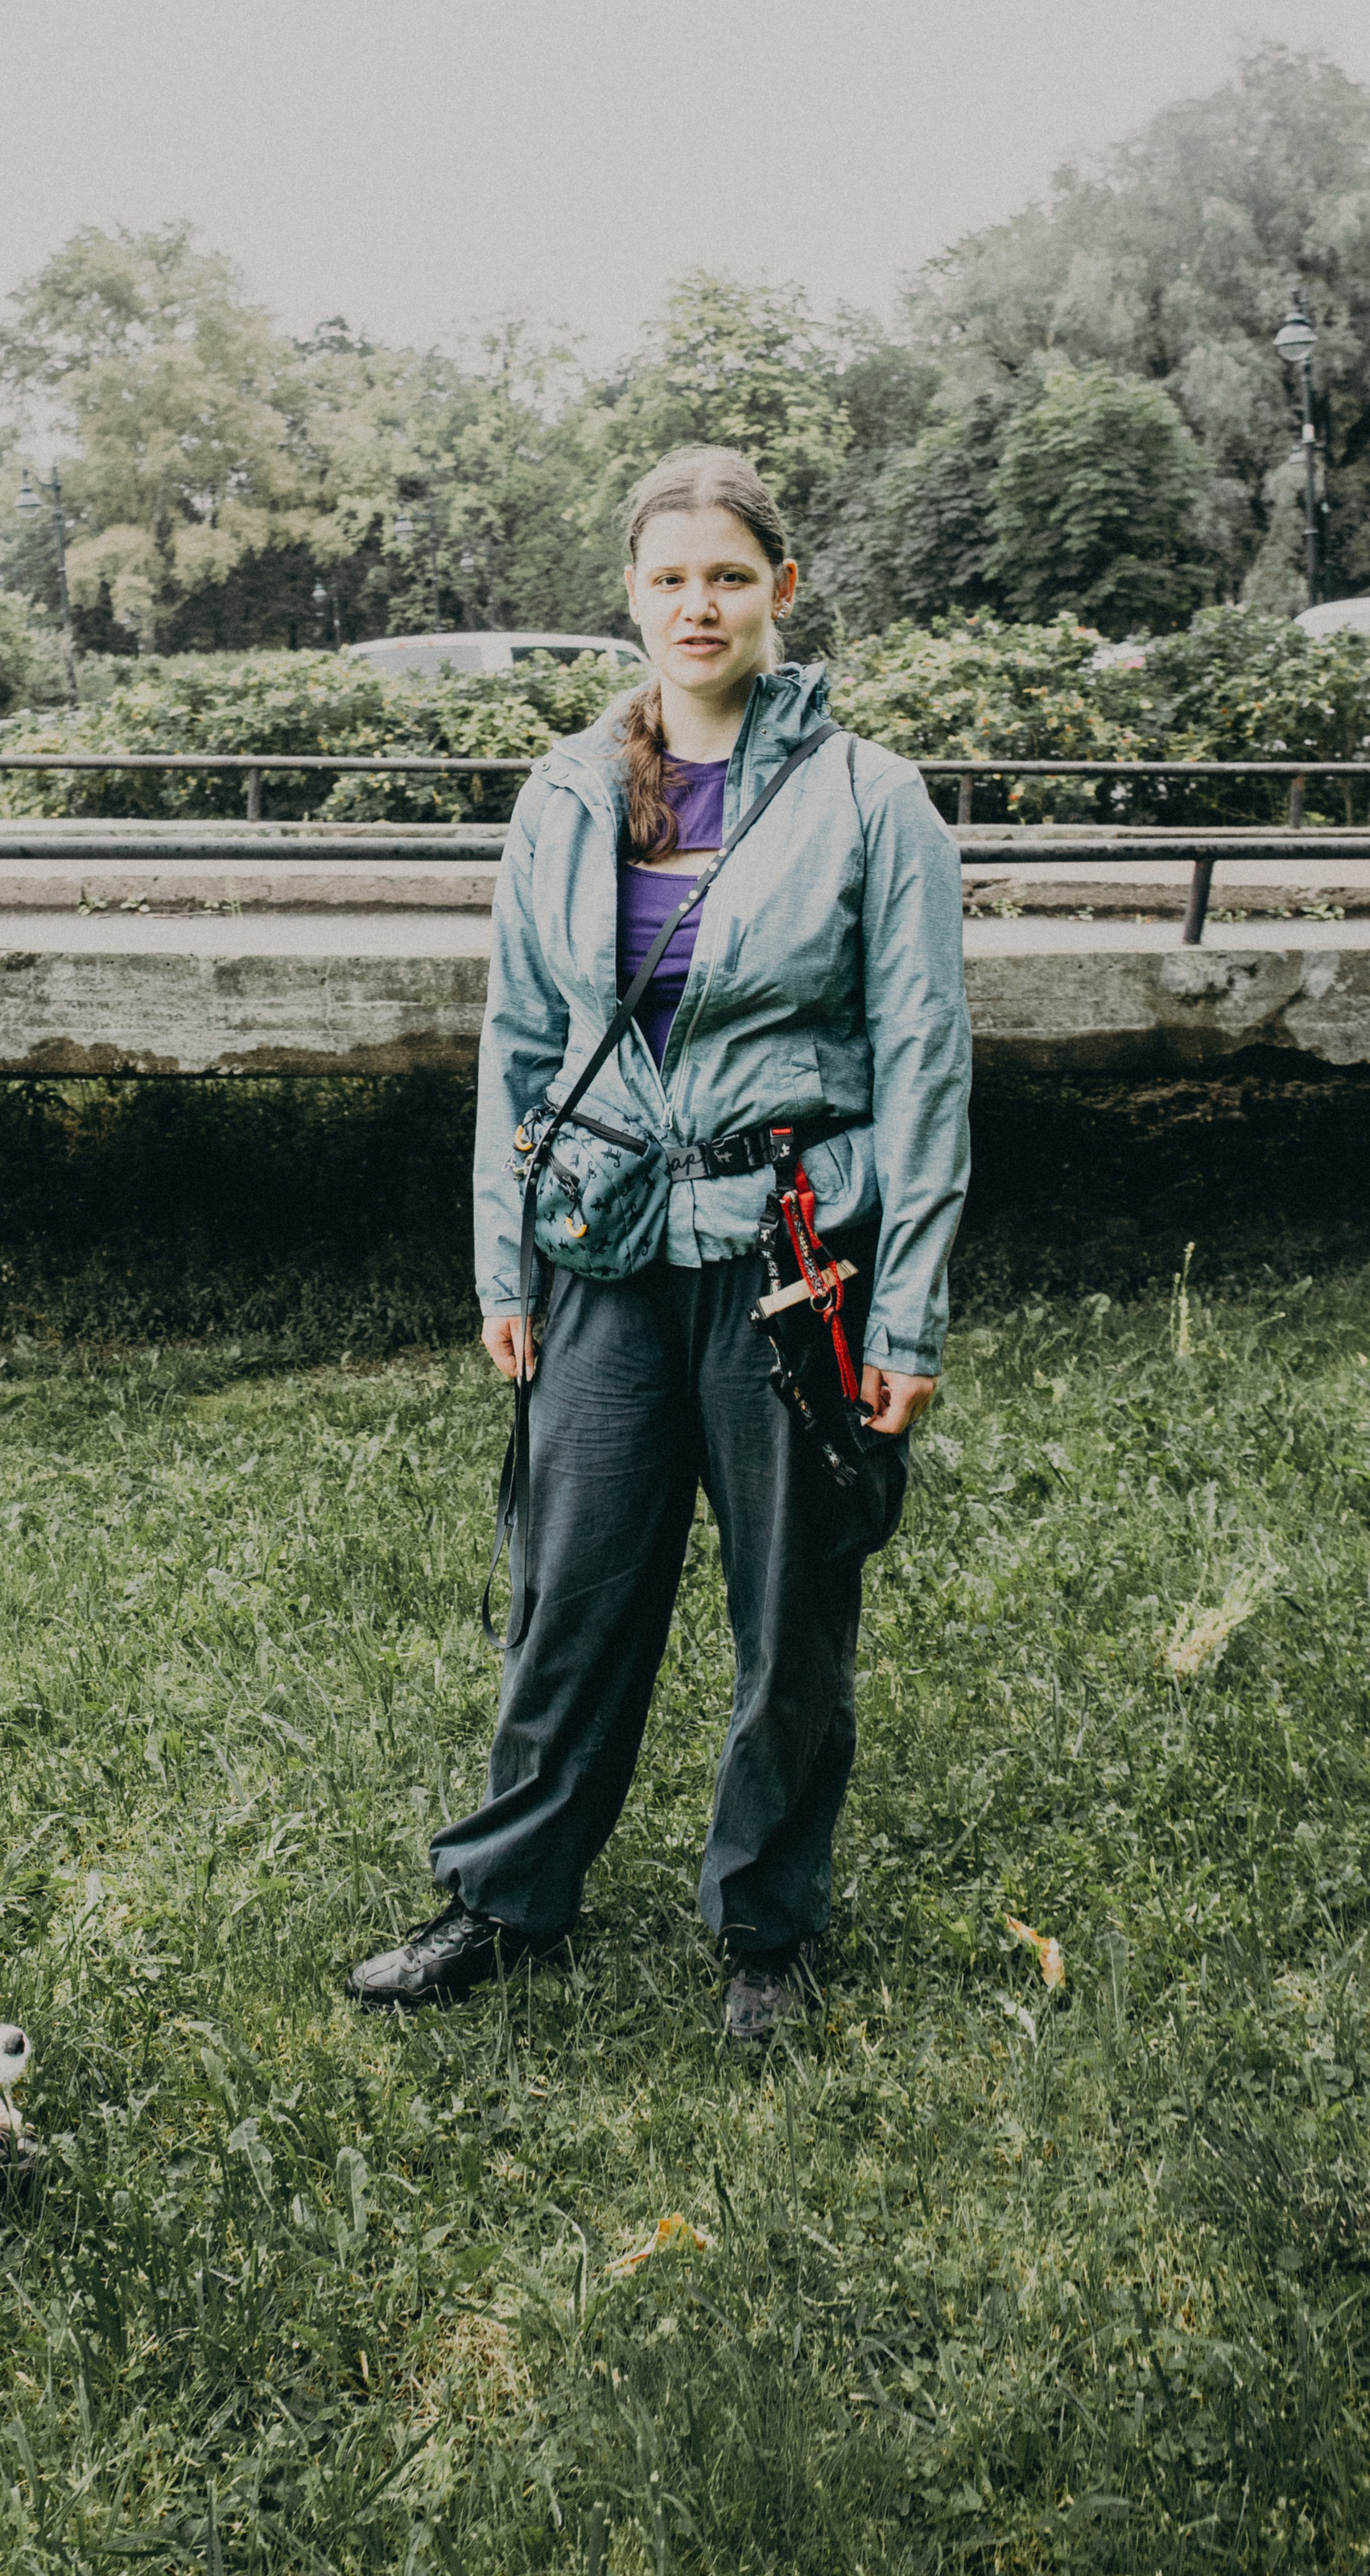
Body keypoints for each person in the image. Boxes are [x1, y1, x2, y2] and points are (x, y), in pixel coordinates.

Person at [345, 445, 971, 2039]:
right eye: (669, 576)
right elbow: (518, 1044)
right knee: (570, 1595)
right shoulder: (563, 792)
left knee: (791, 1611)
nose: (698, 604)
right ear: (629, 592)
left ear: (780, 589)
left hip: (791, 1260)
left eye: (727, 576)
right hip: (601, 1252)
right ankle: (506, 1897)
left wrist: (905, 1310)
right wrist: (503, 1264)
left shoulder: (869, 798)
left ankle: (766, 1924)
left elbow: (922, 1062)